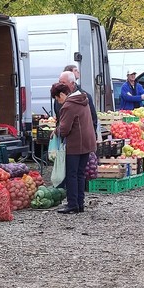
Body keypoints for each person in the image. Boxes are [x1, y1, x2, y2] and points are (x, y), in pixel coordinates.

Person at [55, 71, 96, 213]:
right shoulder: (83, 99)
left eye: (63, 83)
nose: (61, 86)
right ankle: (80, 203)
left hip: (75, 143)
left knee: (72, 174)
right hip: (87, 142)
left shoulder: (69, 104)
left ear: (72, 84)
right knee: (80, 174)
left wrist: (56, 131)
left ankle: (72, 204)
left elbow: (65, 129)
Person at [62, 64, 98, 130]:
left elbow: (93, 116)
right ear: (70, 73)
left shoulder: (84, 95)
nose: (78, 72)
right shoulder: (60, 96)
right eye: (75, 70)